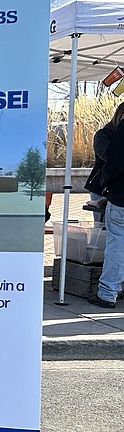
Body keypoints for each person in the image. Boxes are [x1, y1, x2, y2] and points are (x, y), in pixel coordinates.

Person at [88, 100, 124, 308]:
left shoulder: (118, 131)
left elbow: (113, 162)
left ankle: (108, 292)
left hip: (119, 195)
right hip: (113, 194)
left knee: (116, 244)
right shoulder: (104, 134)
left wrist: (107, 186)